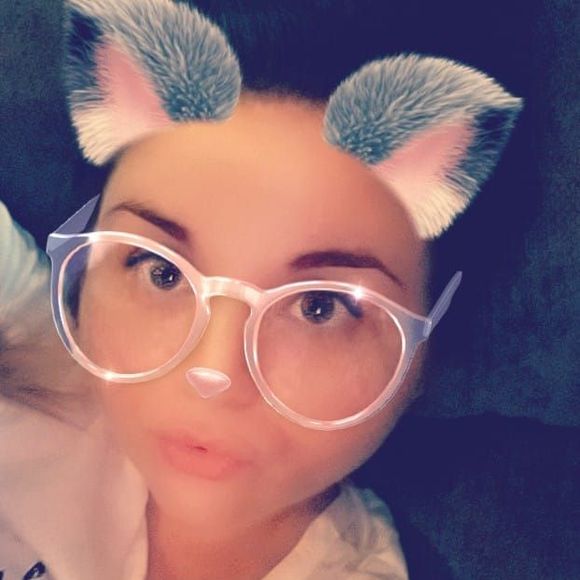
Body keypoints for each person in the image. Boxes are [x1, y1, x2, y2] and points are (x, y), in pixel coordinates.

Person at [0, 0, 522, 578]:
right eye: (161, 271)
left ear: (431, 344)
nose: (212, 374)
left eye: (319, 306)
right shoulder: (31, 349)